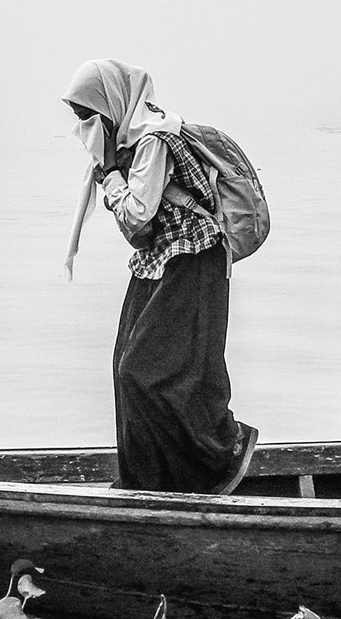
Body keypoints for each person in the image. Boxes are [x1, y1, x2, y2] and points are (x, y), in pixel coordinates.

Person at [62, 59, 258, 494]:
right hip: (158, 260)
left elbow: (136, 212)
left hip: (193, 258)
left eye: (87, 116)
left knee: (145, 371)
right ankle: (143, 481)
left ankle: (219, 453)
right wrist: (112, 169)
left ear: (111, 104)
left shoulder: (154, 140)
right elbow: (140, 234)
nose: (83, 127)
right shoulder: (126, 143)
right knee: (124, 368)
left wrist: (111, 178)